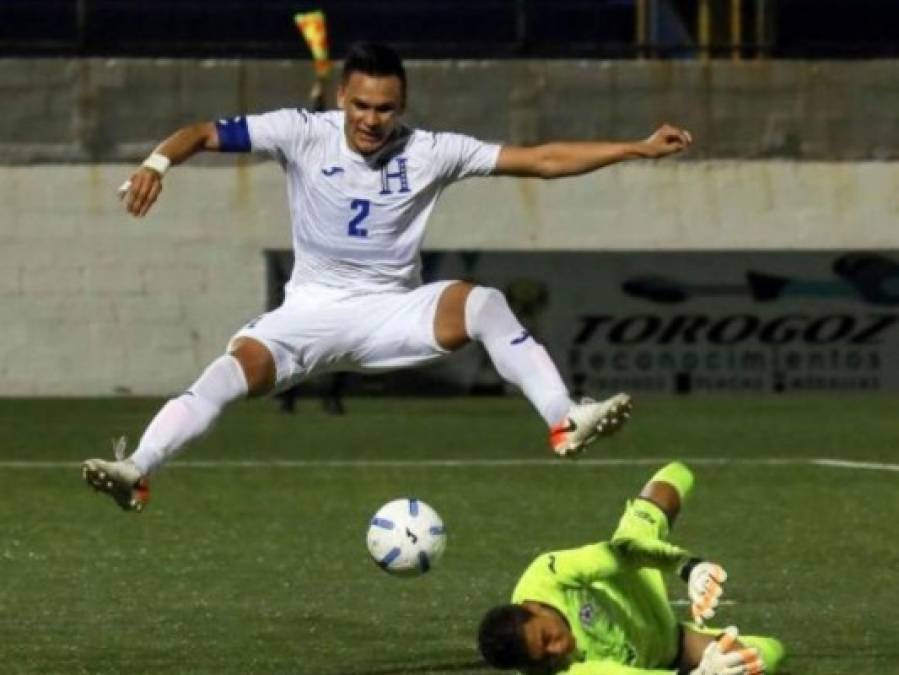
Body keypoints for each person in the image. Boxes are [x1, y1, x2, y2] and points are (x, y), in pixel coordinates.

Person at [82, 42, 690, 511]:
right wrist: (157, 163)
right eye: (361, 105)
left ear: (403, 106)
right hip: (309, 313)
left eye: (386, 108)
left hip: (392, 312)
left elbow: (541, 159)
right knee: (224, 375)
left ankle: (563, 417)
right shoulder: (301, 130)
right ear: (342, 96)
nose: (372, 119)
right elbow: (203, 133)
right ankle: (138, 470)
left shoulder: (432, 149)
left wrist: (637, 148)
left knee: (483, 303)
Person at [477, 462, 786, 674]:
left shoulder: (545, 575)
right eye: (545, 657)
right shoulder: (558, 671)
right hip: (668, 649)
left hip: (636, 584)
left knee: (677, 475)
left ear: (533, 607)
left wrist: (688, 566)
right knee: (769, 654)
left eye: (547, 637)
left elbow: (619, 555)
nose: (558, 648)